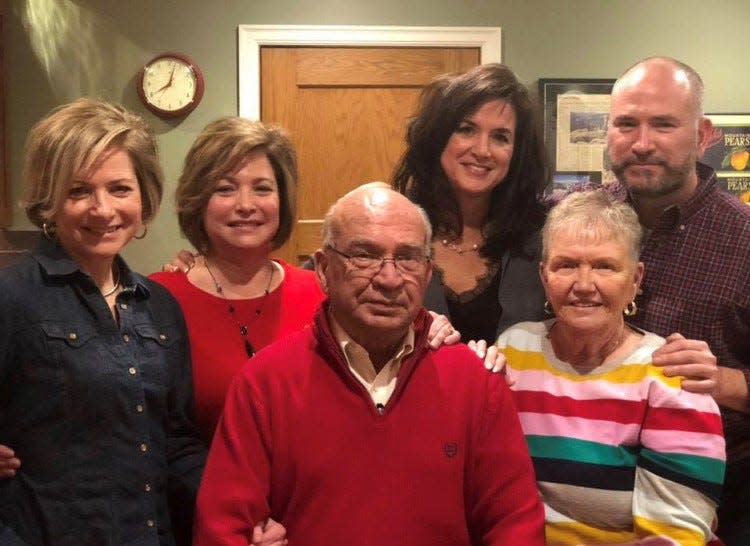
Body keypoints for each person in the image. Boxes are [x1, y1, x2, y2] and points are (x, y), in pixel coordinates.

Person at [193, 185, 545, 545]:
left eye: (407, 258)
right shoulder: (264, 383)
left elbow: (515, 524)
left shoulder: (475, 382)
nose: (389, 279)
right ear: (325, 268)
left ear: (427, 275)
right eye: (365, 255)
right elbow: (221, 529)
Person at [0, 98, 206, 544]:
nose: (103, 209)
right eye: (78, 191)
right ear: (49, 200)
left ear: (144, 196)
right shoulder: (12, 298)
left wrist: (240, 504)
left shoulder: (162, 307)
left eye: (119, 188)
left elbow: (177, 442)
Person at [496, 190, 725, 545]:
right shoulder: (514, 350)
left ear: (635, 278)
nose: (584, 285)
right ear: (544, 276)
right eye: (566, 265)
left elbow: (674, 537)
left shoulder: (670, 376)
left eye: (604, 266)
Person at [604, 56, 750, 545]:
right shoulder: (574, 217)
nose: (642, 143)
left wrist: (726, 382)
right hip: (583, 495)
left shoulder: (745, 239)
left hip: (718, 506)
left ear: (703, 133)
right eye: (627, 123)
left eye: (663, 124)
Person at [149, 117, 325, 444]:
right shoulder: (159, 298)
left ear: (282, 200)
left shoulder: (320, 295)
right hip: (196, 489)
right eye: (226, 189)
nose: (246, 205)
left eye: (262, 188)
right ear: (199, 200)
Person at [393, 62, 549, 344]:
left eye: (500, 137)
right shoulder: (390, 225)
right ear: (437, 137)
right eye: (466, 129)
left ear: (517, 153)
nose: (482, 150)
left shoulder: (542, 238)